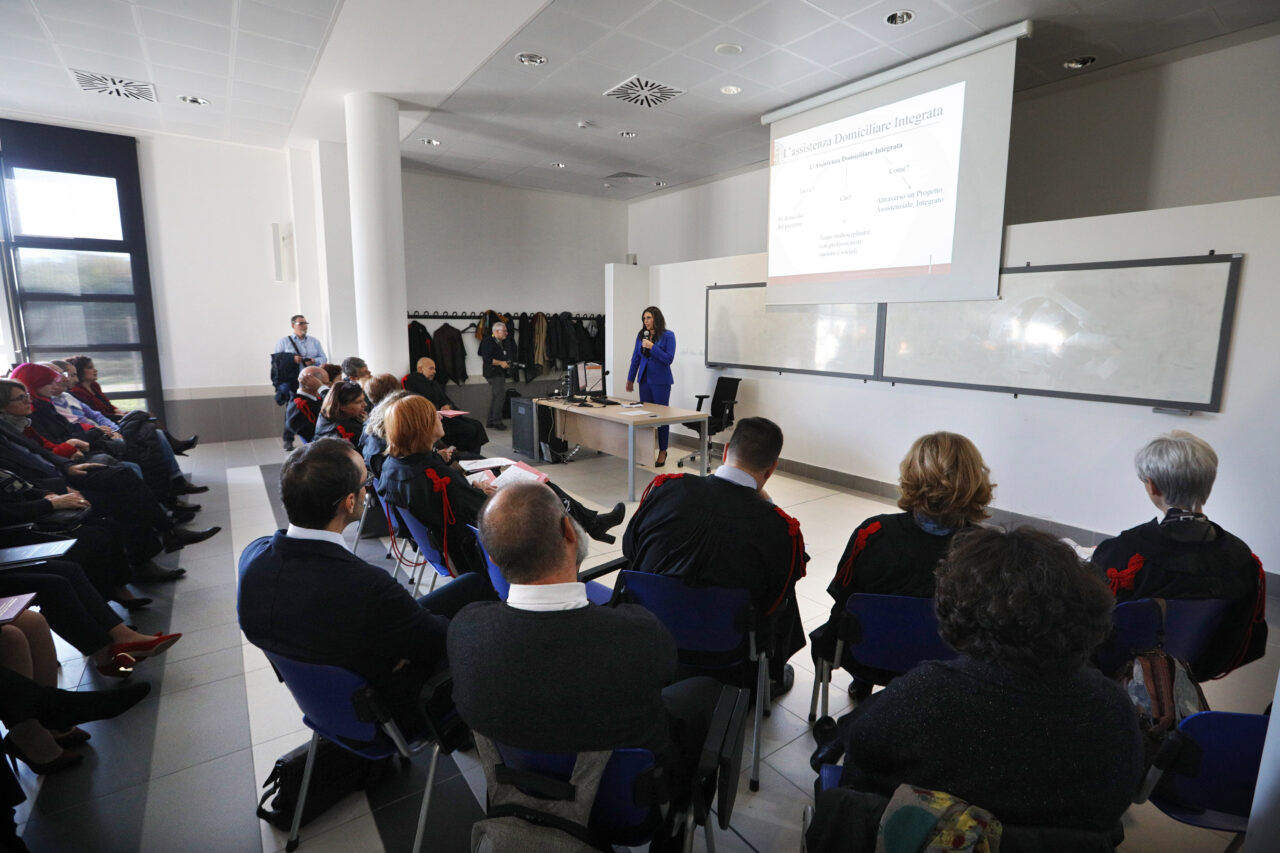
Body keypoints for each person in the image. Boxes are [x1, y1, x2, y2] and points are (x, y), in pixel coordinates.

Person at [449, 481, 723, 845]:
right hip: (626, 816)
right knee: (705, 691)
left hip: (515, 798)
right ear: (569, 532)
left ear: (493, 557)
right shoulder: (637, 634)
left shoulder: (465, 630)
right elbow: (662, 677)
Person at [826, 527, 1143, 833]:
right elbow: (1114, 802)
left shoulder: (927, 693)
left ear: (961, 612)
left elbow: (862, 748)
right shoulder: (1111, 705)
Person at [237, 438, 491, 731]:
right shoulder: (365, 586)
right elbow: (440, 641)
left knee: (472, 584)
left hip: (326, 696)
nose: (368, 486)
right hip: (389, 705)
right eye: (365, 480)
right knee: (482, 633)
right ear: (349, 501)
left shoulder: (253, 557)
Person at [623, 416, 808, 691]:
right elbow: (772, 603)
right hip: (725, 649)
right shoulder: (780, 528)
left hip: (650, 631)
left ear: (724, 452)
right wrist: (767, 504)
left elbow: (630, 549)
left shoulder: (665, 488)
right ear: (771, 470)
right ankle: (771, 675)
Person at [818, 431, 994, 699]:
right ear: (974, 480)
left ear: (911, 475)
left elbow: (843, 596)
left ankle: (862, 681)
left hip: (870, 658)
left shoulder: (873, 533)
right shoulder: (989, 550)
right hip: (949, 670)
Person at [377, 396, 623, 575]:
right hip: (478, 550)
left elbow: (461, 501)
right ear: (421, 427)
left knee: (535, 484)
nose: (440, 416)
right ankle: (586, 530)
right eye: (434, 415)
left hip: (447, 544)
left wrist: (473, 490)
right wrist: (490, 493)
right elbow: (483, 511)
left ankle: (591, 522)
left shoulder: (394, 466)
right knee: (540, 490)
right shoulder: (432, 476)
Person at [1091, 430, 1267, 681]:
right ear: (1208, 482)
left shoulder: (1123, 554)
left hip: (1123, 671)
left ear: (1152, 486)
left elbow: (1092, 626)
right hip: (1199, 667)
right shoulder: (1242, 559)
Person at [63, 356, 198, 459]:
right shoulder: (77, 393)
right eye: (90, 367)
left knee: (148, 420)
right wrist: (120, 417)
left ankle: (174, 447)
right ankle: (174, 446)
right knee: (149, 422)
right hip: (109, 423)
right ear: (80, 372)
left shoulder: (94, 386)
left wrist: (120, 412)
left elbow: (108, 406)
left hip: (113, 418)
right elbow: (97, 415)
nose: (95, 370)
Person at [625, 306, 676, 466]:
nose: (645, 321)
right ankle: (646, 452)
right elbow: (635, 358)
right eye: (644, 319)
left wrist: (653, 347)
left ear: (656, 318)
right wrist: (630, 378)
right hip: (645, 380)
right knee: (645, 416)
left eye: (648, 318)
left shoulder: (668, 336)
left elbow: (668, 359)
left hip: (661, 381)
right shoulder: (641, 336)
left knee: (661, 417)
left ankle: (662, 450)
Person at [404, 357, 488, 452]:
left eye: (435, 369)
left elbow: (445, 399)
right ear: (420, 369)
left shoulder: (434, 384)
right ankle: (469, 456)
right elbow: (421, 403)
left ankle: (474, 456)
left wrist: (448, 406)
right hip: (436, 419)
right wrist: (439, 408)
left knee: (477, 424)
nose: (434, 371)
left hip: (447, 416)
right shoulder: (413, 382)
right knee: (470, 430)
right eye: (431, 368)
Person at [275, 315, 327, 451]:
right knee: (291, 410)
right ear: (293, 325)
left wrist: (314, 361)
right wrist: (292, 359)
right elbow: (277, 363)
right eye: (301, 323)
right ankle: (288, 439)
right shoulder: (284, 342)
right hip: (294, 382)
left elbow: (323, 358)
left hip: (314, 382)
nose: (304, 326)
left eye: (306, 323)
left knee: (315, 407)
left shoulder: (314, 341)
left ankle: (315, 436)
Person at [477, 322, 516, 430]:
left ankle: (490, 421)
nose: (506, 333)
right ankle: (497, 422)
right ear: (496, 331)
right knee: (500, 396)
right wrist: (501, 363)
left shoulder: (501, 342)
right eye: (504, 331)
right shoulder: (488, 341)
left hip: (499, 372)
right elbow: (487, 359)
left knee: (496, 396)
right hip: (492, 372)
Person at [314, 380, 367, 446]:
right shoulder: (346, 430)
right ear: (341, 406)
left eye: (363, 399)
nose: (365, 404)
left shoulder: (328, 412)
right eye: (358, 402)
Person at [285, 366, 326, 443]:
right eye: (326, 383)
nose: (329, 386)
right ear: (313, 383)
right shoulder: (299, 406)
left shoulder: (315, 398)